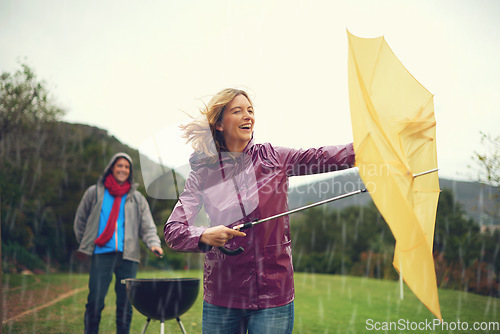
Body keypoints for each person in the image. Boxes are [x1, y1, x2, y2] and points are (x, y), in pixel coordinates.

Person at [164, 89, 355, 333]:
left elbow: (324, 156)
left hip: (274, 294)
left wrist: (374, 145)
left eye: (250, 110)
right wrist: (204, 235)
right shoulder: (202, 173)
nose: (248, 116)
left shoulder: (274, 157)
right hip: (222, 296)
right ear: (219, 124)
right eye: (237, 111)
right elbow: (173, 231)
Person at [74, 152, 164, 334]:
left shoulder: (137, 198)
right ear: (112, 168)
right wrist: (86, 243)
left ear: (130, 172)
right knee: (95, 301)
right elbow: (80, 221)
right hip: (101, 254)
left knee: (125, 305)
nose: (123, 169)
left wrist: (153, 243)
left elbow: (147, 226)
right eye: (119, 166)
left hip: (128, 257)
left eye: (126, 167)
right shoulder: (95, 193)